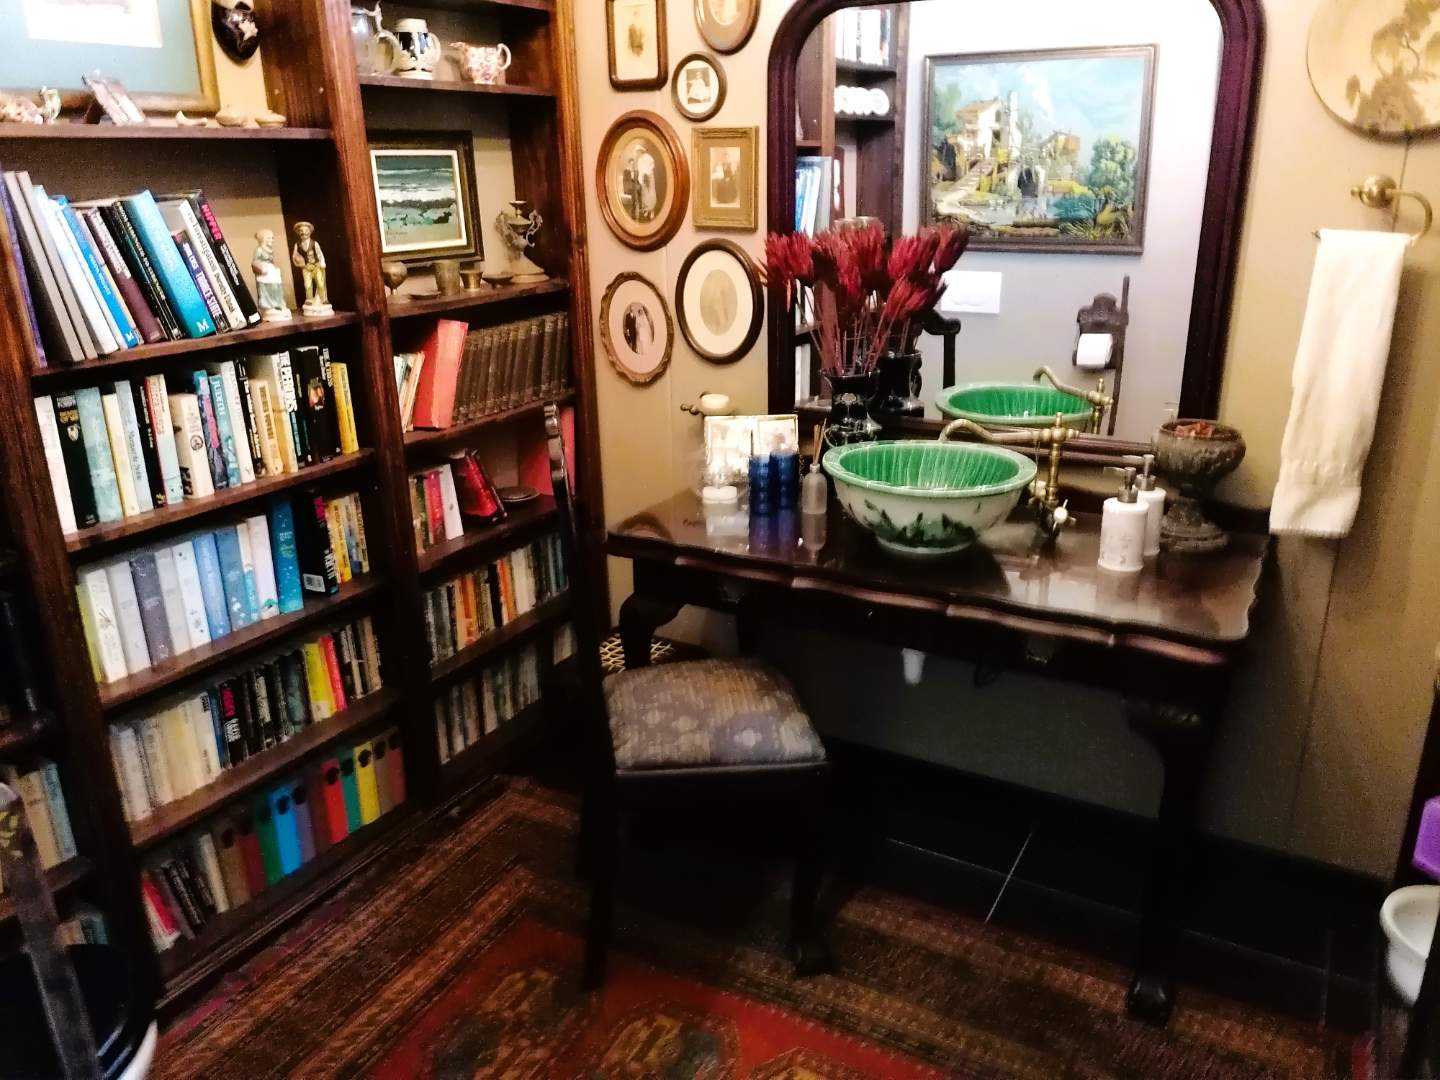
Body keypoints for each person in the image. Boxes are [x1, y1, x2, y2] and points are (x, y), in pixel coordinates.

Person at [290, 221, 332, 315]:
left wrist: (322, 263)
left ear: (309, 232)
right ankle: (309, 299)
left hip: (316, 266)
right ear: (298, 233)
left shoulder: (314, 243)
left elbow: (320, 254)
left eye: (305, 230)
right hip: (306, 267)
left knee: (320, 282)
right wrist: (298, 262)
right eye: (301, 231)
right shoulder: (297, 245)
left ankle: (323, 299)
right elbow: (294, 256)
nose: (303, 233)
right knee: (307, 284)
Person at [251, 228, 291, 322]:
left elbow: (271, 261)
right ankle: (269, 305)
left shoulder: (270, 249)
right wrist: (262, 268)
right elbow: (255, 262)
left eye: (272, 238)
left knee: (276, 287)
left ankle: (278, 304)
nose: (272, 240)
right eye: (269, 238)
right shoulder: (259, 250)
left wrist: (274, 268)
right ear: (263, 239)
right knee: (267, 289)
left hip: (271, 271)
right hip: (264, 273)